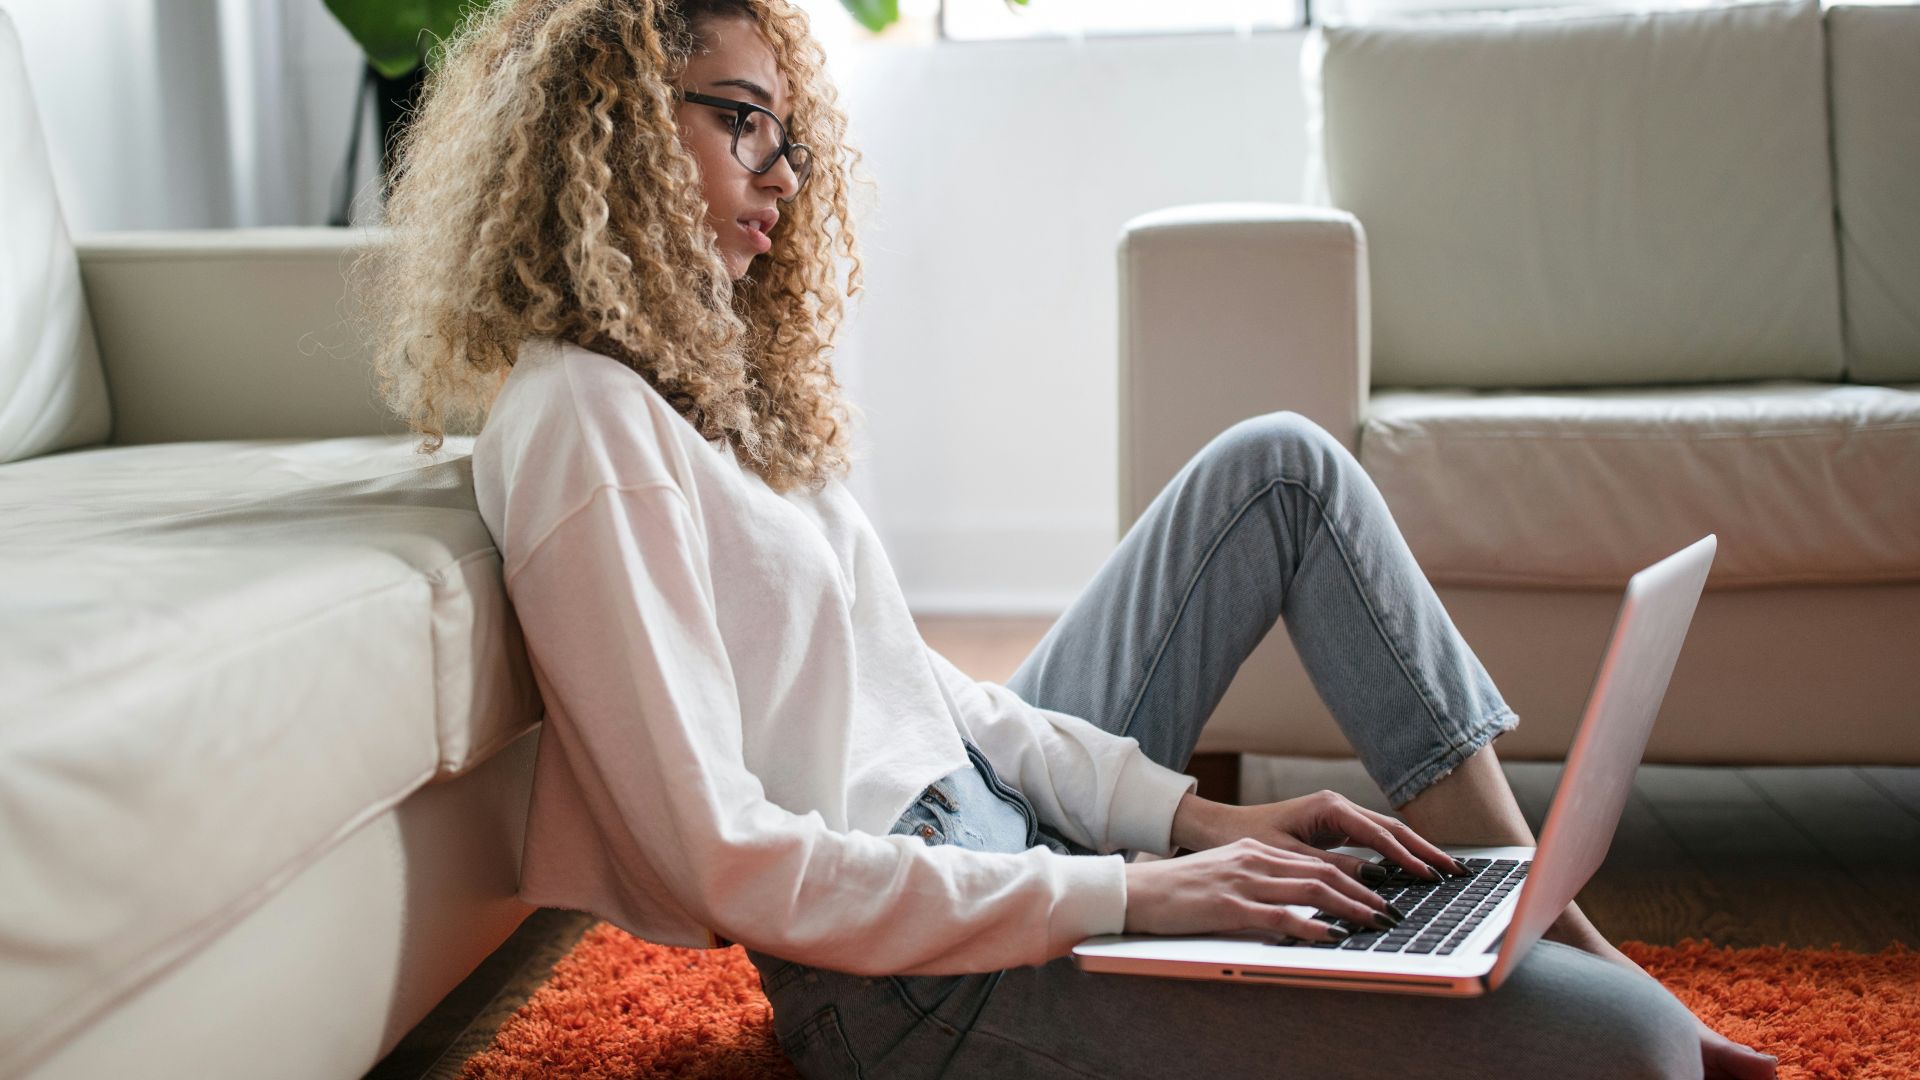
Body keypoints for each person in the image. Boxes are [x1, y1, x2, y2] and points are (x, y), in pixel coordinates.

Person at [352, 1, 1779, 1076]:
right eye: (738, 119)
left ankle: (1537, 914)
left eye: (787, 133)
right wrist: (1135, 893)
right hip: (908, 982)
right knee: (1626, 1056)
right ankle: (1556, 974)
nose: (781, 174)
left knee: (1281, 468)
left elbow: (936, 698)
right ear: (606, 126)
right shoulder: (582, 424)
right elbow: (727, 861)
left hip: (997, 841)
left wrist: (1194, 823)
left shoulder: (711, 393)